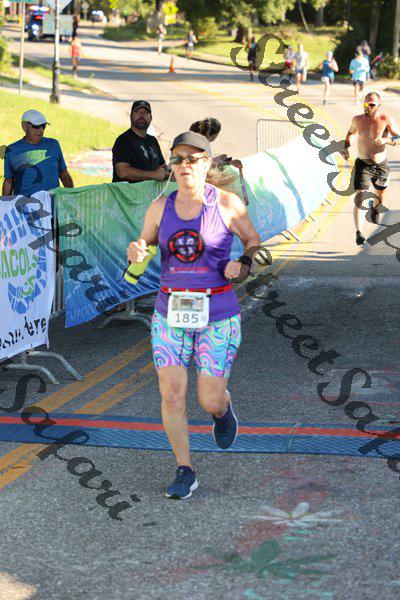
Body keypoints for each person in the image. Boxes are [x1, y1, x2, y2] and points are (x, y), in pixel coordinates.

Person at [127, 131, 261, 499]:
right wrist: (136, 251)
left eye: (193, 158)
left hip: (217, 313)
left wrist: (243, 263)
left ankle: (222, 410)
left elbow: (252, 239)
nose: (184, 165)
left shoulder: (228, 203)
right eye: (178, 158)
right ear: (171, 165)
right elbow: (144, 244)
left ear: (207, 163)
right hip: (170, 312)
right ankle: (185, 469)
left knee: (208, 399)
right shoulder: (160, 207)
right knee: (171, 393)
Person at [342, 92, 400, 245]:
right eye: (366, 103)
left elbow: (398, 137)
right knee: (359, 197)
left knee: (380, 195)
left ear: (379, 106)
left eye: (371, 104)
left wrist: (386, 140)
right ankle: (359, 232)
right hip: (363, 164)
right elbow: (350, 133)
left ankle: (374, 207)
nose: (368, 106)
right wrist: (346, 147)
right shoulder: (357, 119)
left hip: (381, 166)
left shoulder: (385, 119)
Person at [2, 109, 73, 197]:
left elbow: (63, 173)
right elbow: (8, 181)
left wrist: (72, 196)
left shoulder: (53, 144)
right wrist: (4, 203)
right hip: (24, 203)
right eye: (36, 126)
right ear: (24, 126)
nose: (40, 130)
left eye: (43, 126)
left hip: (53, 202)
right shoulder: (12, 150)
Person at [112, 100, 168, 183]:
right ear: (131, 117)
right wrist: (153, 175)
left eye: (145, 112)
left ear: (151, 118)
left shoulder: (152, 140)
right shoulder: (123, 140)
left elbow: (162, 166)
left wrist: (171, 173)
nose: (141, 115)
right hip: (127, 191)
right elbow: (123, 172)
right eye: (137, 112)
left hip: (150, 191)